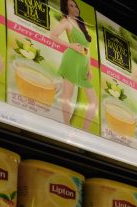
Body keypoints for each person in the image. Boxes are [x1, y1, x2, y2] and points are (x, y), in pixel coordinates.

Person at [50, 0, 96, 130]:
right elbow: (53, 35)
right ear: (66, 7)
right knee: (67, 96)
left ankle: (84, 131)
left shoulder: (81, 23)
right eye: (71, 5)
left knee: (93, 101)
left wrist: (90, 69)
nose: (75, 7)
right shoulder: (66, 22)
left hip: (83, 64)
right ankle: (66, 126)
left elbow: (87, 49)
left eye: (75, 5)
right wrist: (70, 45)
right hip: (71, 60)